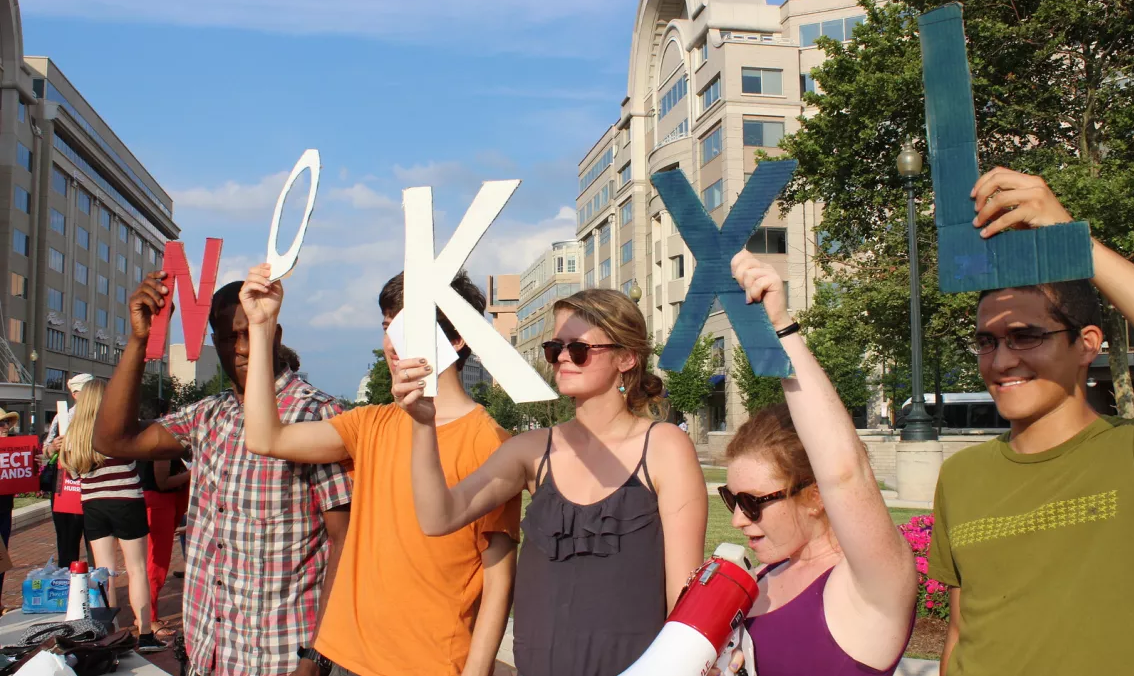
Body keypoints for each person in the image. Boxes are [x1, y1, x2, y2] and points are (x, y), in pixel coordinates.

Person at [393, 287, 708, 675]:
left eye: (578, 349)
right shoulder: (531, 450)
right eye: (554, 347)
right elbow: (437, 518)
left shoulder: (664, 446)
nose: (561, 357)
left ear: (626, 358)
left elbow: (686, 599)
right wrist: (423, 426)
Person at [241, 266, 519, 676]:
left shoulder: (491, 442)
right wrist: (261, 327)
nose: (390, 344)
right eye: (387, 326)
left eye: (405, 328)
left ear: (457, 338)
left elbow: (498, 579)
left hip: (429, 663)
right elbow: (265, 438)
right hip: (346, 656)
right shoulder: (370, 423)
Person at [929, 168, 1134, 676]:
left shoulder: (1129, 453)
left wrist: (1076, 243)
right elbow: (960, 632)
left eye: (1025, 336)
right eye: (987, 341)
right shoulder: (962, 476)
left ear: (1088, 343)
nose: (1001, 362)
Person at [92, 275, 353, 676]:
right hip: (209, 652)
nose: (243, 349)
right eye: (230, 338)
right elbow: (114, 439)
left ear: (275, 332)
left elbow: (346, 540)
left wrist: (316, 657)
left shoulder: (316, 415)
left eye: (251, 333)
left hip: (280, 656)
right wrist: (138, 342)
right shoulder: (209, 416)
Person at [711, 254, 915, 676]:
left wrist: (781, 329)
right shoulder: (766, 573)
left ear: (815, 495)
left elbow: (846, 471)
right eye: (730, 498)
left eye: (751, 502)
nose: (737, 520)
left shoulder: (870, 582)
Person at [58, 380, 165, 653]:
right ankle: (145, 634)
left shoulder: (74, 432)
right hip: (127, 501)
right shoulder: (119, 427)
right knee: (137, 569)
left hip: (93, 504)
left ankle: (112, 633)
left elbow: (70, 472)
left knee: (105, 574)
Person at [42, 373, 95, 568]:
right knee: (67, 543)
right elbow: (46, 451)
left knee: (97, 546)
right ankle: (66, 588)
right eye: (88, 390)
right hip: (67, 487)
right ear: (75, 394)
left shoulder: (104, 416)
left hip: (95, 486)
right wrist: (52, 447)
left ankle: (98, 590)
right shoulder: (62, 417)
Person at [137, 456, 190, 630]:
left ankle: (147, 616)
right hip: (159, 502)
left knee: (151, 562)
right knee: (156, 563)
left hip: (159, 501)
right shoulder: (162, 445)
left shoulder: (153, 441)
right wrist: (194, 473)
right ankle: (149, 619)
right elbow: (163, 482)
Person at [0, 408, 21, 615]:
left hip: (4, 509)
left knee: (1, 559)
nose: (5, 427)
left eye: (6, 422)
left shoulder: (13, 449)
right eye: (1, 424)